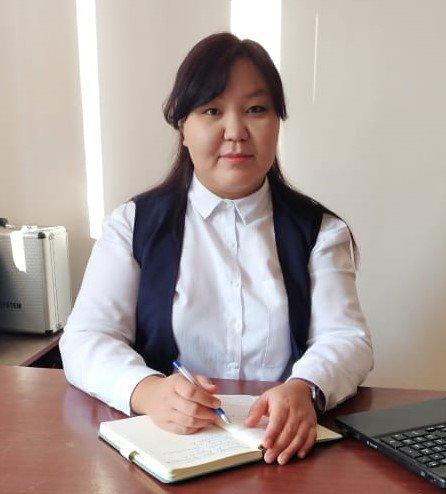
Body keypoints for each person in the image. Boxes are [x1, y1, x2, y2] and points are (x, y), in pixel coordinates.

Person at [60, 32, 373, 466]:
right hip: (167, 446)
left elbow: (346, 339)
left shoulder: (320, 231)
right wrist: (147, 391)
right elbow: (85, 338)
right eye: (211, 110)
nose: (236, 132)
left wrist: (305, 388)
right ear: (183, 129)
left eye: (256, 110)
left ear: (277, 123)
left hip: (280, 448)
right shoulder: (133, 225)